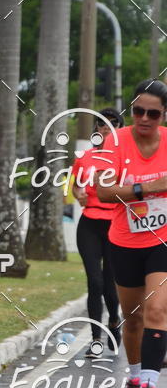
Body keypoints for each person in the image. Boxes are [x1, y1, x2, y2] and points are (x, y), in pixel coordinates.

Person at [95, 79, 167, 388]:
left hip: (162, 240)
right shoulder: (116, 141)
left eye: (153, 113)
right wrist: (150, 187)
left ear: (163, 115)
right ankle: (135, 378)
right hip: (124, 241)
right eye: (138, 111)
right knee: (133, 318)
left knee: (157, 311)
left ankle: (150, 386)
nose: (144, 118)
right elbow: (104, 192)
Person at [71, 108, 123, 357]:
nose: (106, 128)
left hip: (115, 226)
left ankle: (114, 320)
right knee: (95, 282)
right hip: (89, 224)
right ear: (95, 129)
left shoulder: (124, 160)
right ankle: (95, 340)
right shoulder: (85, 157)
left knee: (110, 288)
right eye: (102, 124)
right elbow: (76, 187)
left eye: (113, 124)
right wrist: (79, 194)